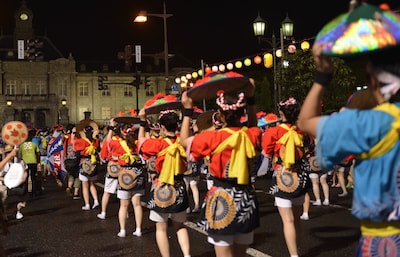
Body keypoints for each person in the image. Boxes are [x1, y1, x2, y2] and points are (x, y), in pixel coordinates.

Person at [297, 37, 400, 255]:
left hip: (384, 241)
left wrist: (323, 75)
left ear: (373, 78)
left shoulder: (367, 122)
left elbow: (305, 122)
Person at [180, 78, 261, 257]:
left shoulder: (212, 138)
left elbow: (184, 141)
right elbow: (253, 125)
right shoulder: (251, 135)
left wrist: (187, 111)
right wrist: (251, 98)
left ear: (221, 115)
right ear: (242, 113)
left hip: (221, 199)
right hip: (246, 198)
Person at [261, 96, 311, 257]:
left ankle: (294, 255)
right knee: (296, 219)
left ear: (281, 113)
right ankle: (296, 250)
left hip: (282, 175)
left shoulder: (273, 131)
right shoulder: (302, 129)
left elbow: (266, 153)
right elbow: (309, 147)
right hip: (300, 174)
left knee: (287, 220)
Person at [138, 108, 191, 257]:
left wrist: (143, 122)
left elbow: (141, 144)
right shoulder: (183, 141)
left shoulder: (158, 144)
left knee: (161, 228)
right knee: (180, 226)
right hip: (180, 185)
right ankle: (187, 255)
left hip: (161, 185)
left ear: (161, 127)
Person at [74, 125, 100, 211]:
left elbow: (77, 153)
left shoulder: (81, 141)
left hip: (84, 163)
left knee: (85, 186)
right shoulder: (96, 141)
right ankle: (96, 200)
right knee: (92, 184)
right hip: (93, 162)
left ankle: (87, 204)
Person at [18, 129, 41, 197]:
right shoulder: (34, 144)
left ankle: (25, 192)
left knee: (25, 177)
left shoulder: (22, 145)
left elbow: (20, 155)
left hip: (25, 162)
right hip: (33, 161)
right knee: (34, 177)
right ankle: (34, 192)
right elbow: (38, 153)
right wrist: (38, 162)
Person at [63, 125, 81, 200]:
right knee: (77, 176)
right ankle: (76, 193)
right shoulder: (78, 139)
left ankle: (69, 187)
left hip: (68, 159)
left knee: (71, 174)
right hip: (76, 159)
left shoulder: (67, 138)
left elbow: (63, 146)